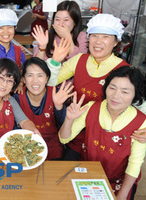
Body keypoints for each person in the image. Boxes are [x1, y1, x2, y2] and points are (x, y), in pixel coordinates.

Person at [45, 13, 140, 160]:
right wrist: (56, 61)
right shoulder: (79, 60)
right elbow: (50, 81)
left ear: (116, 42)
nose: (98, 42)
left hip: (106, 136)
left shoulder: (124, 70)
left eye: (105, 37)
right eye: (94, 36)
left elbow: (141, 104)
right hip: (74, 131)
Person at [59, 66, 146, 199]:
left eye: (125, 92)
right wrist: (69, 119)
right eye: (112, 88)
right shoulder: (91, 107)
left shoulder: (141, 122)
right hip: (88, 172)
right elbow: (64, 138)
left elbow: (135, 163)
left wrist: (122, 195)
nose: (116, 95)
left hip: (118, 181)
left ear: (135, 95)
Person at [12, 57, 74, 160]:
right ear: (23, 79)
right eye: (30, 75)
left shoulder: (56, 94)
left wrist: (59, 107)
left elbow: (62, 126)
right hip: (26, 147)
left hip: (53, 147)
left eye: (40, 75)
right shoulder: (17, 96)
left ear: (47, 78)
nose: (35, 81)